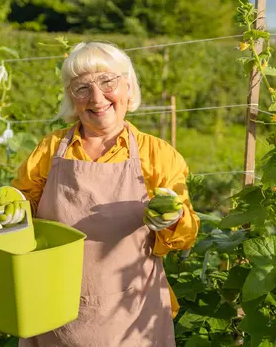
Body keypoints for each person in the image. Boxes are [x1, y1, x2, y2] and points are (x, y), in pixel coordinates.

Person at [11, 41, 199, 347]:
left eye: (107, 82)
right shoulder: (51, 148)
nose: (97, 98)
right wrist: (8, 209)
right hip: (54, 311)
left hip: (131, 316)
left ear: (128, 86)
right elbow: (20, 205)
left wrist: (173, 217)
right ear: (72, 98)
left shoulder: (157, 154)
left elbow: (186, 235)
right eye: (81, 87)